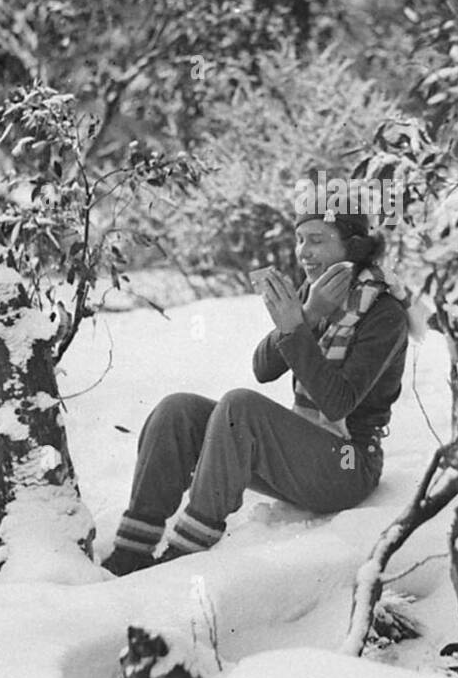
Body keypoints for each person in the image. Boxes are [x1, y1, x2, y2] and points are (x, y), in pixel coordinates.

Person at [101, 207, 411, 575]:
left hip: (348, 465)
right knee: (178, 410)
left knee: (240, 407)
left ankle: (186, 553)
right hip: (309, 451)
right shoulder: (315, 295)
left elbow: (339, 401)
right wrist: (308, 316)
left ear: (354, 247)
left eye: (316, 240)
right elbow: (264, 369)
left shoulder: (384, 313)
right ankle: (131, 549)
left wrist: (297, 327)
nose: (302, 252)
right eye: (299, 240)